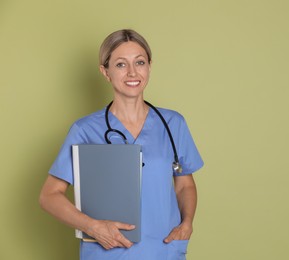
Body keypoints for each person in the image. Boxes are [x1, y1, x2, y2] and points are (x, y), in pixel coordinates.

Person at [39, 29, 204, 260]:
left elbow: (185, 184)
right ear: (105, 72)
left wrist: (187, 223)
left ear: (149, 66)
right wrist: (92, 226)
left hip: (164, 250)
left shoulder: (173, 123)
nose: (132, 72)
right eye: (120, 65)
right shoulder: (85, 130)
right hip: (108, 252)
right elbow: (49, 195)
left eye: (140, 62)